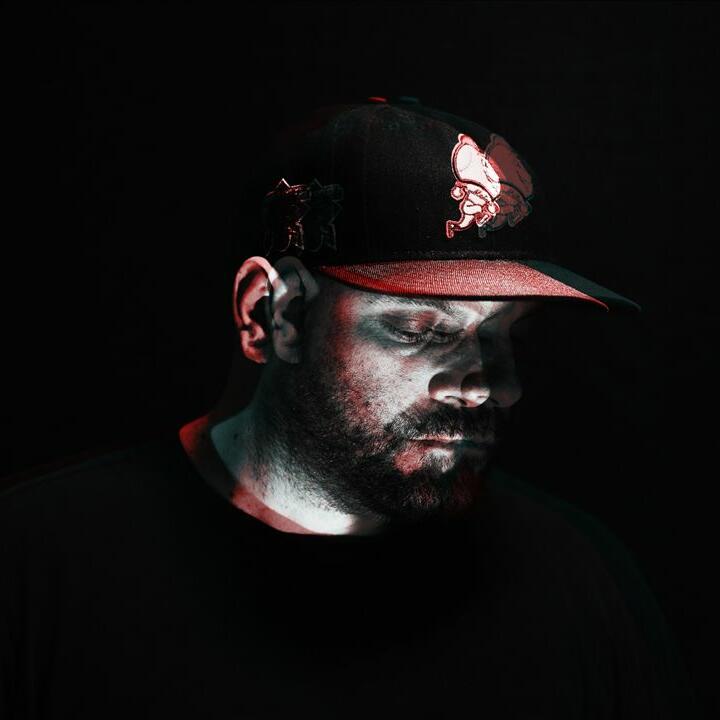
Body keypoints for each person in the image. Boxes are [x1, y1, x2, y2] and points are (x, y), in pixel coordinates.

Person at [0, 97, 700, 719]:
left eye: (503, 333)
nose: (486, 385)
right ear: (273, 315)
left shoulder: (569, 583)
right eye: (420, 330)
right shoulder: (41, 571)